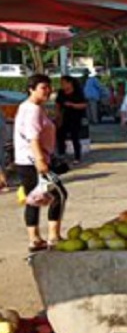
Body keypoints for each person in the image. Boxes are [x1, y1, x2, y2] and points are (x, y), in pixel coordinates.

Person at [15, 74, 66, 251]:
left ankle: (35, 239)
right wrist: (40, 161)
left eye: (49, 87)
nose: (48, 91)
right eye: (43, 87)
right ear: (31, 89)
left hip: (25, 160)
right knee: (58, 195)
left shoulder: (31, 107)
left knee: (33, 199)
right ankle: (53, 236)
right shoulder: (32, 110)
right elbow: (33, 138)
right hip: (33, 161)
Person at [55, 76, 87, 165]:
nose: (62, 85)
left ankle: (77, 156)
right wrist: (57, 115)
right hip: (63, 117)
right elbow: (57, 104)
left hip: (75, 117)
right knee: (60, 136)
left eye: (64, 82)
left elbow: (84, 105)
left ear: (70, 83)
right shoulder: (61, 93)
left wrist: (72, 105)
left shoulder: (78, 92)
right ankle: (61, 154)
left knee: (75, 137)